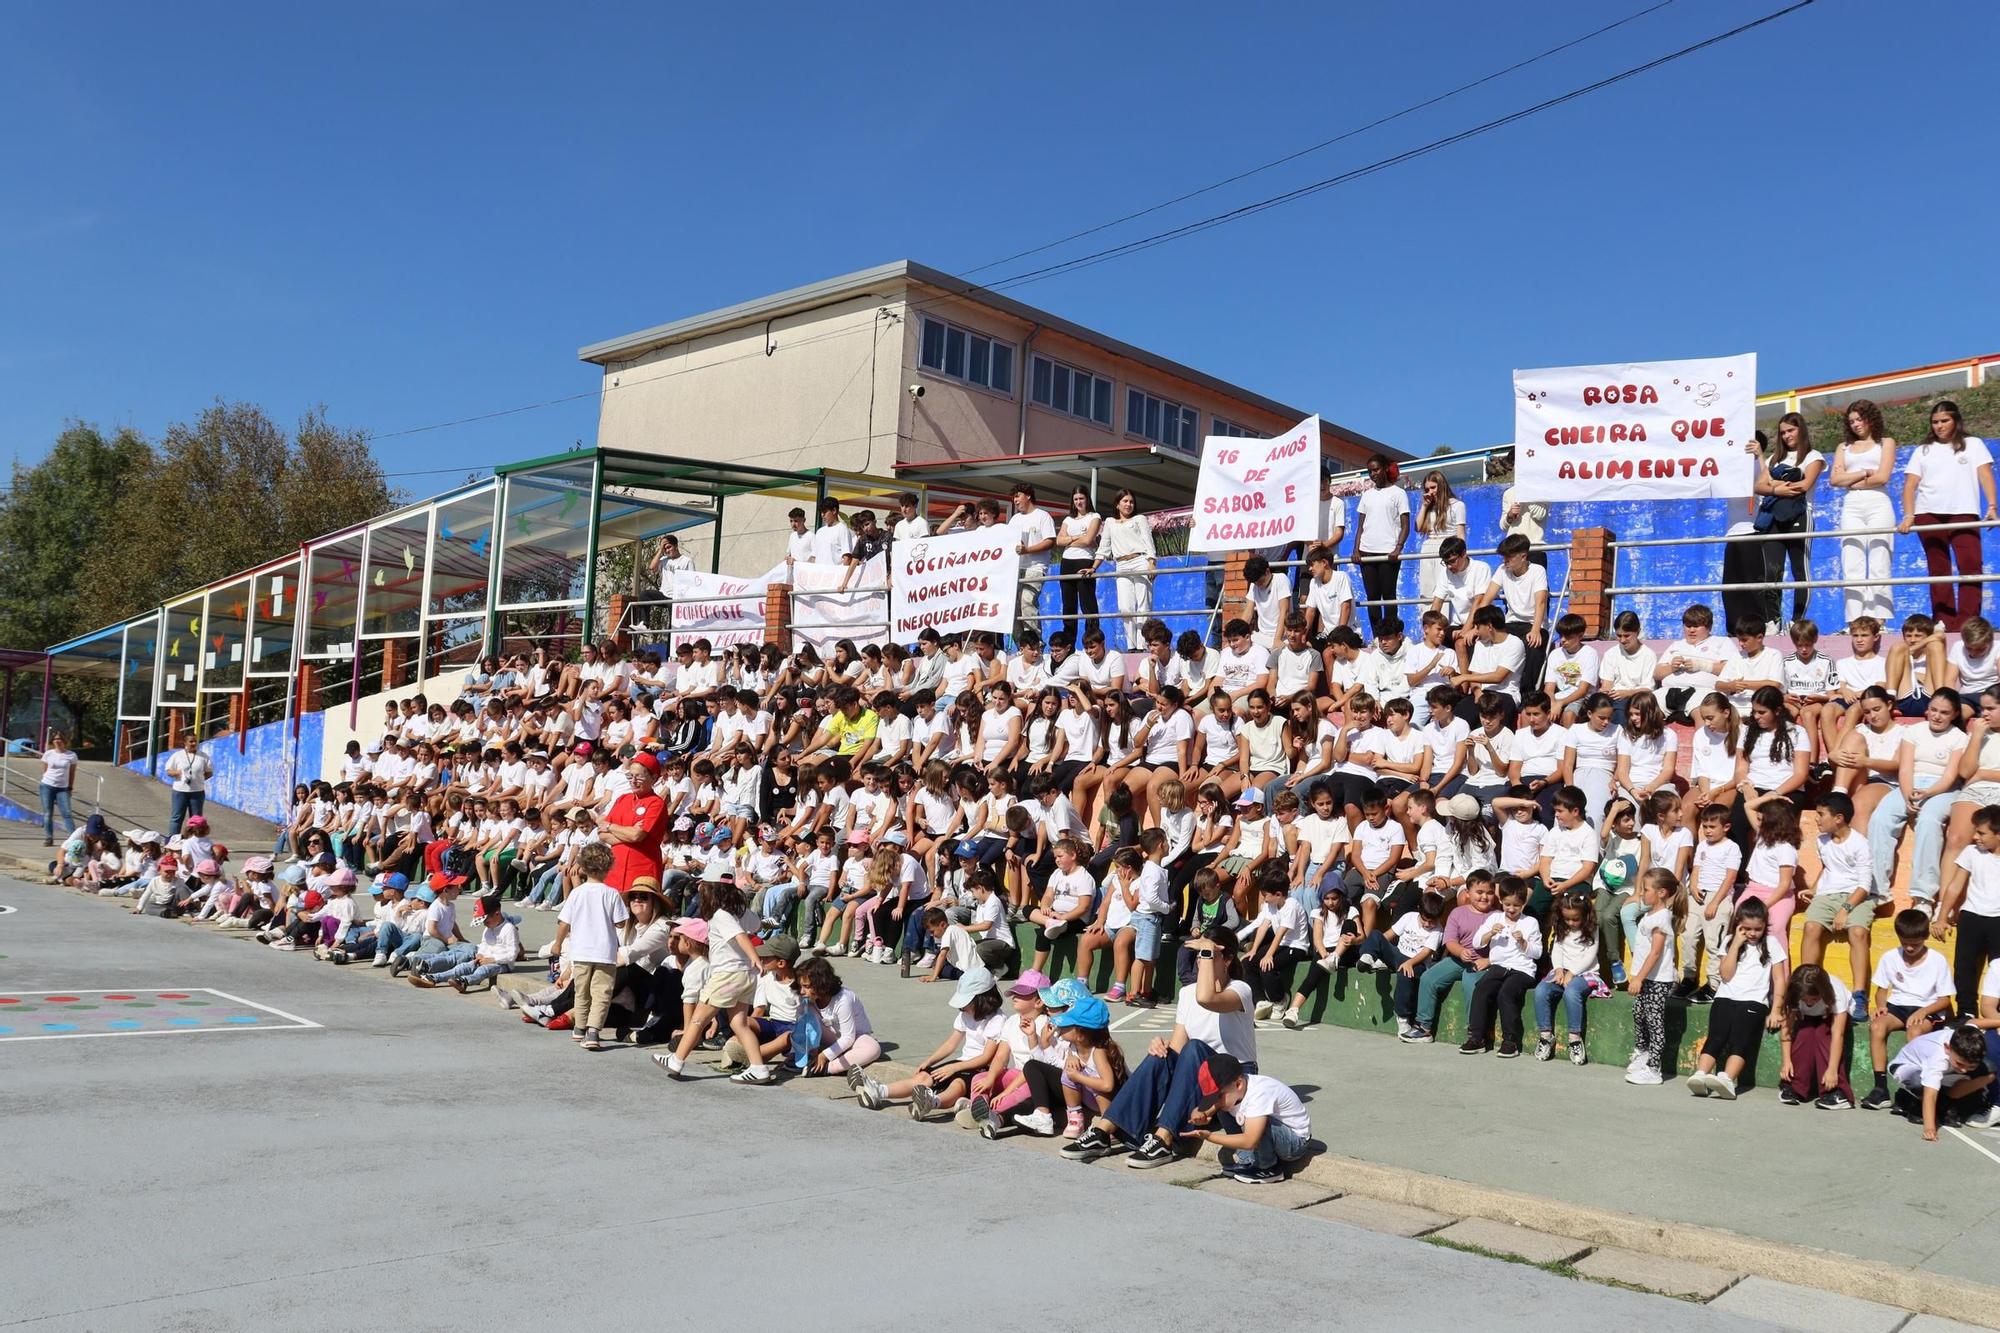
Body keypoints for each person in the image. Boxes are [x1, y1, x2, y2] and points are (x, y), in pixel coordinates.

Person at [1062, 926, 1256, 1167]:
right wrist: (1160, 1047)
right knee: (1161, 1056)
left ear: (1227, 959)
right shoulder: (1187, 994)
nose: (1200, 960)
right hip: (1199, 1075)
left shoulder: (1240, 990)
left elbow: (1207, 998)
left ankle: (1164, 1138)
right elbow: (1177, 1048)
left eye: (1208, 954)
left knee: (1194, 1048)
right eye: (1198, 954)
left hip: (1233, 1079)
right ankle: (1105, 1130)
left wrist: (1206, 951)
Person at [850, 966, 1005, 1118]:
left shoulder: (997, 1019)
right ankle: (878, 1091)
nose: (963, 1007)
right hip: (961, 1062)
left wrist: (954, 1067)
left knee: (957, 1085)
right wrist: (930, 1061)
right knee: (923, 1078)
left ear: (984, 999)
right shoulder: (966, 1014)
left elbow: (986, 1057)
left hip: (982, 1069)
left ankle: (932, 1102)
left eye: (967, 1002)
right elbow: (951, 1044)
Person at [1899, 400, 1996, 632]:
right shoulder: (1923, 450)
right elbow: (1910, 484)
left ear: (1955, 420)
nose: (1939, 426)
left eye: (1944, 421)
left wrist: (1992, 505)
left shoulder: (1973, 444)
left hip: (1963, 512)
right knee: (1938, 568)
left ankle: (1968, 621)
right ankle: (1943, 621)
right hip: (1927, 514)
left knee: (1970, 565)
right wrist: (1908, 515)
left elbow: (1985, 475)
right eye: (1935, 422)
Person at [1686, 897, 1787, 1101]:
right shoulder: (1731, 940)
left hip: (1754, 1002)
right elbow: (1726, 974)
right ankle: (1701, 1075)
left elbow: (1779, 978)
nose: (1751, 933)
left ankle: (1728, 1079)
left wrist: (1776, 1009)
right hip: (1725, 998)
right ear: (1738, 923)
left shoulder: (1771, 943)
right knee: (1716, 1037)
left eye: (1757, 929)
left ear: (1764, 926)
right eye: (1746, 928)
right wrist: (1735, 944)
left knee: (1740, 1040)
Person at [1861, 909, 1958, 1111]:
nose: (1910, 947)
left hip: (1928, 1008)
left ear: (1925, 937)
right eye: (1905, 942)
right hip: (1898, 1006)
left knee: (1915, 1032)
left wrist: (1923, 1012)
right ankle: (1880, 1089)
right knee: (1877, 1026)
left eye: (1915, 943)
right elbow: (1881, 989)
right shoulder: (1890, 957)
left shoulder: (1937, 960)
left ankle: (1913, 1090)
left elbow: (1944, 1000)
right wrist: (1880, 1007)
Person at [1185, 1052, 1313, 1186]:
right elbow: (1209, 1107)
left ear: (1239, 1084)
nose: (1216, 1101)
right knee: (1223, 1109)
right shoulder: (1234, 1092)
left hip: (1294, 1142)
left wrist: (1210, 1136)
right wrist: (1202, 1114)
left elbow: (1250, 1141)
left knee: (1260, 1121)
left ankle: (1268, 1168)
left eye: (1218, 1095)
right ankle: (1248, 1161)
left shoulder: (1259, 1093)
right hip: (1273, 1137)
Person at [549, 842, 627, 1052]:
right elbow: (620, 922)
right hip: (605, 951)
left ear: (582, 866)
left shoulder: (577, 893)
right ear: (609, 867)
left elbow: (564, 922)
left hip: (581, 951)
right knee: (601, 992)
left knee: (581, 991)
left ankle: (579, 1027)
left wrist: (557, 944)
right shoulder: (611, 893)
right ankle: (593, 1031)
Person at [1830, 398, 1898, 623]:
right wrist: (1863, 474)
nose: (1856, 424)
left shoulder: (1886, 442)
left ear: (1870, 418)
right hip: (1852, 504)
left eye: (1860, 419)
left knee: (1880, 558)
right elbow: (1835, 479)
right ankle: (1854, 619)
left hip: (1879, 502)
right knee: (1851, 559)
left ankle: (1880, 618)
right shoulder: (1843, 447)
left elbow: (1882, 476)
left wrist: (1851, 479)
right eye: (1851, 421)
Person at [1755, 413, 1824, 630]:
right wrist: (1778, 488)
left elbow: (1804, 485)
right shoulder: (1773, 459)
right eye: (1783, 432)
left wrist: (1773, 484)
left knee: (1800, 570)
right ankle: (1773, 621)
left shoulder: (1813, 456)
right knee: (1771, 572)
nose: (1787, 436)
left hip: (1800, 516)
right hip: (1773, 518)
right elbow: (1759, 486)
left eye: (1791, 430)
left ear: (1801, 430)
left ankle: (1796, 621)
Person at [1461, 876, 1543, 1057]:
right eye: (1507, 905)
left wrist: (1523, 942)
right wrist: (1490, 933)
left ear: (1523, 904)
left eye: (1516, 905)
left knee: (1506, 993)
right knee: (1482, 988)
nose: (1511, 909)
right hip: (1499, 967)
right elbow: (1477, 943)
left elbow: (1537, 953)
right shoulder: (1494, 918)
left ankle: (1510, 1041)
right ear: (1501, 901)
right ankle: (1477, 1037)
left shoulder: (1530, 923)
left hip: (1522, 970)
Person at [1624, 867, 1684, 1087]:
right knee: (1639, 1013)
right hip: (1646, 978)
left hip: (1657, 980)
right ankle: (1642, 1052)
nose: (1642, 893)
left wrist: (1639, 978)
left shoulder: (1662, 918)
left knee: (1654, 1020)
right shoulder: (1650, 914)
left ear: (1662, 893)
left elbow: (1656, 952)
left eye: (1646, 889)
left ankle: (1654, 1068)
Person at [1778, 963, 1855, 1110]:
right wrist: (1786, 1061)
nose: (1808, 1003)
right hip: (1808, 1018)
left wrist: (1832, 1070)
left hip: (1832, 1016)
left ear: (1823, 993)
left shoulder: (1836, 993)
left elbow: (1838, 1034)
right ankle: (1794, 1087)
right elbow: (1787, 1031)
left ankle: (1836, 1092)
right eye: (1805, 1000)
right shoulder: (1795, 992)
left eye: (1813, 1000)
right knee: (1804, 1034)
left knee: (1822, 1034)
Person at [1534, 889, 1598, 1065]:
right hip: (1564, 971)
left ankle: (1574, 1038)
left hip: (1585, 973)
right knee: (1541, 990)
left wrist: (1572, 973)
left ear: (1585, 915)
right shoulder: (1562, 927)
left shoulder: (1592, 929)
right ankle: (1545, 1036)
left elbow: (1589, 956)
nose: (1571, 922)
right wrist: (1559, 969)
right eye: (1567, 918)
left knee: (1571, 992)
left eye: (1575, 919)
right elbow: (1558, 949)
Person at [1349, 453, 1409, 636]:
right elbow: (1360, 526)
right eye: (1370, 471)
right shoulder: (1367, 495)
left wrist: (1398, 548)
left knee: (1388, 596)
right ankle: (1377, 637)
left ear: (1384, 469)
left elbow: (1405, 525)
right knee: (1372, 597)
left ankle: (1391, 635)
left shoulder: (1399, 493)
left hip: (1388, 552)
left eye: (1375, 469)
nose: (1373, 474)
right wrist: (1356, 550)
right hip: (1367, 552)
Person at [1008, 483, 1057, 644]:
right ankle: (1021, 645)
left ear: (1028, 496)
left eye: (1018, 496)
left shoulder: (1042, 516)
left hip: (1035, 567)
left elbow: (1050, 541)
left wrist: (1027, 550)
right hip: (1015, 569)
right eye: (1014, 497)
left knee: (1027, 603)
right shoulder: (1014, 519)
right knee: (1013, 609)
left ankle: (1035, 643)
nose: (1015, 500)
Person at [1055, 486, 1102, 647]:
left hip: (1084, 561)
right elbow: (1058, 541)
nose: (1078, 502)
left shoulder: (1094, 517)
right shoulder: (1068, 520)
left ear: (1087, 499)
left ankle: (1093, 640)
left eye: (1081, 498)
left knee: (1087, 603)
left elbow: (1089, 540)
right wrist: (1077, 537)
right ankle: (1069, 642)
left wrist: (1069, 539)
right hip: (1067, 562)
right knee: (1068, 605)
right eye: (1075, 499)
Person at [1412, 470, 1467, 603]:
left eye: (1433, 487)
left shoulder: (1457, 505)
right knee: (1427, 590)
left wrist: (1460, 556)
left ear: (1441, 486)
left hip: (1447, 549)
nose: (1430, 491)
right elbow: (1418, 527)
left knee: (1445, 589)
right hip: (1428, 549)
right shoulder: (1428, 506)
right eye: (1427, 489)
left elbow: (1460, 534)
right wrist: (1424, 506)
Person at [164, 732, 213, 835]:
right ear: (185, 742)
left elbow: (209, 772)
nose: (194, 743)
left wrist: (198, 779)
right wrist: (179, 773)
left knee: (196, 818)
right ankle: (173, 841)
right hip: (180, 791)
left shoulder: (203, 756)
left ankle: (195, 840)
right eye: (191, 741)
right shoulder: (177, 756)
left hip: (197, 792)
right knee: (177, 817)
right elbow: (168, 771)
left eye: (196, 741)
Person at [36, 730, 78, 848]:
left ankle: (73, 839)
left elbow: (72, 772)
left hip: (63, 788)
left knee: (67, 813)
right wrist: (47, 780)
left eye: (59, 739)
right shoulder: (48, 754)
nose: (57, 741)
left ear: (64, 741)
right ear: (52, 742)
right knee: (48, 813)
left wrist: (70, 787)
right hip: (47, 785)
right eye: (55, 739)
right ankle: (48, 838)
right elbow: (44, 769)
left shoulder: (71, 755)